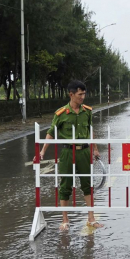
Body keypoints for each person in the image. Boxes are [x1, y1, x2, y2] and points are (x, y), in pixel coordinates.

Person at [38, 80, 103, 230]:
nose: (83, 97)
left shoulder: (87, 111)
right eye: (80, 94)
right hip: (68, 152)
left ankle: (91, 219)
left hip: (84, 152)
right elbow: (51, 133)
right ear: (71, 94)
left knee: (87, 185)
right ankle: (65, 220)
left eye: (84, 94)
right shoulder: (61, 114)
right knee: (65, 186)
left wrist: (95, 149)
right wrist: (42, 151)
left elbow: (90, 131)